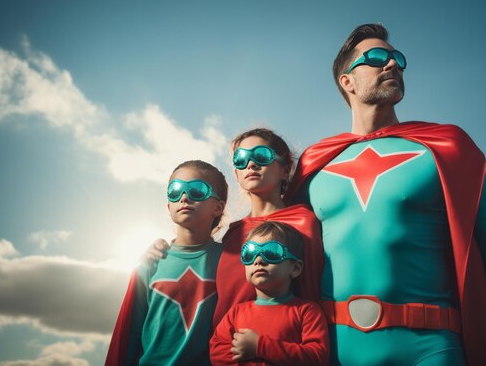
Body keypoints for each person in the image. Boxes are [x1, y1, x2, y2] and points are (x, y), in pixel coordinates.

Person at [285, 24, 486, 366]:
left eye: (396, 59)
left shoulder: (445, 147)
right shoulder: (315, 164)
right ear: (347, 81)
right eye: (375, 58)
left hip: (432, 348)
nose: (391, 65)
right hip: (338, 351)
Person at [146, 128, 324, 327]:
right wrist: (163, 253)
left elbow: (313, 295)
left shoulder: (303, 223)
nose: (251, 164)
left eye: (261, 155)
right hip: (223, 349)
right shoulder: (233, 234)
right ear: (237, 174)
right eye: (241, 159)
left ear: (285, 169)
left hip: (279, 346)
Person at [105, 160, 227, 366]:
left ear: (218, 207)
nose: (185, 197)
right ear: (168, 205)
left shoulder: (230, 262)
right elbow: (131, 330)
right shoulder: (150, 262)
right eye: (175, 190)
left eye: (197, 190)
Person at [210, 221, 329, 366]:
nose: (258, 260)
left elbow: (317, 357)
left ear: (295, 268)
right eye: (250, 253)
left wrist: (261, 347)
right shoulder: (235, 313)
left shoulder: (307, 312)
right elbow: (217, 352)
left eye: (271, 252)